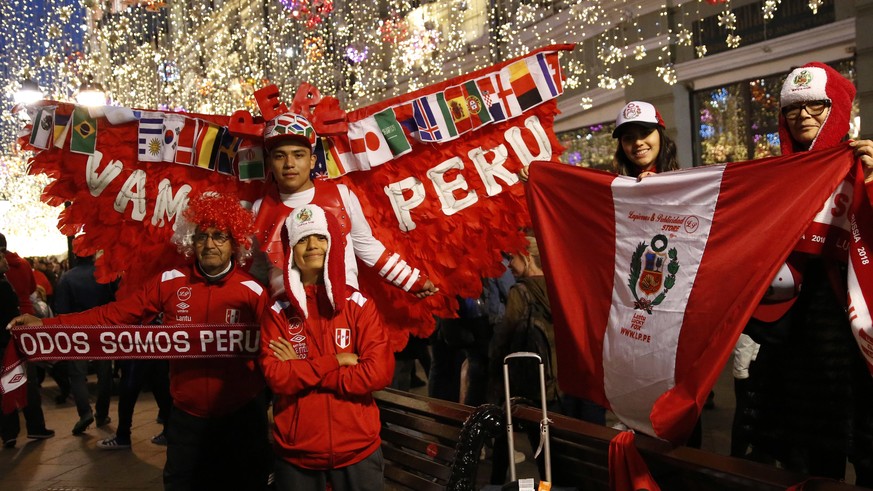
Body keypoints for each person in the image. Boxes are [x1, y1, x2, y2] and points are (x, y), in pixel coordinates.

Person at [9, 193, 271, 490]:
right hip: (187, 416)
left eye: (219, 236)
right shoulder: (170, 281)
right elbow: (113, 316)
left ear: (234, 241)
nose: (209, 244)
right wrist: (46, 324)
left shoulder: (254, 291)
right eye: (202, 236)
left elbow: (275, 350)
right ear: (191, 241)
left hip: (240, 415)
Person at [740, 62, 873, 482]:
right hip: (790, 332)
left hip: (851, 328)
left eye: (815, 105)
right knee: (807, 455)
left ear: (835, 109)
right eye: (793, 108)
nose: (803, 116)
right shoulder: (773, 173)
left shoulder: (863, 161)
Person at [260, 203, 394, 491]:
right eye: (303, 239)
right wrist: (335, 361)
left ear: (332, 244)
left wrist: (302, 368)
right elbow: (276, 376)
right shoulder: (277, 311)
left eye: (320, 237)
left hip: (358, 450)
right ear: (291, 250)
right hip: (297, 454)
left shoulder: (359, 305)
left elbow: (379, 373)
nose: (313, 246)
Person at [252, 112, 437, 299]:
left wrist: (411, 279)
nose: (289, 164)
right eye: (280, 156)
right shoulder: (258, 209)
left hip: (344, 309)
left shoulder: (341, 195)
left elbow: (366, 246)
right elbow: (258, 268)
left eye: (298, 155)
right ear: (270, 164)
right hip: (286, 316)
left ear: (312, 161)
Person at [52, 253, 116, 435]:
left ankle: (85, 413)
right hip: (102, 329)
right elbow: (115, 301)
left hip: (76, 331)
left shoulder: (66, 278)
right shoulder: (104, 274)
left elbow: (61, 310)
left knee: (77, 375)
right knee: (105, 374)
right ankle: (102, 414)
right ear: (93, 255)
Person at [0, 248, 55, 448]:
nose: (4, 260)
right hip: (16, 334)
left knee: (5, 384)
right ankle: (35, 426)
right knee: (26, 379)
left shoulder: (7, 278)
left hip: (8, 337)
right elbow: (33, 289)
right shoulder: (21, 266)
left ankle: (9, 433)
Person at [612, 100, 680, 179]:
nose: (638, 142)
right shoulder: (612, 186)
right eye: (629, 138)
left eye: (645, 133)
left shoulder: (686, 184)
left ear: (661, 135)